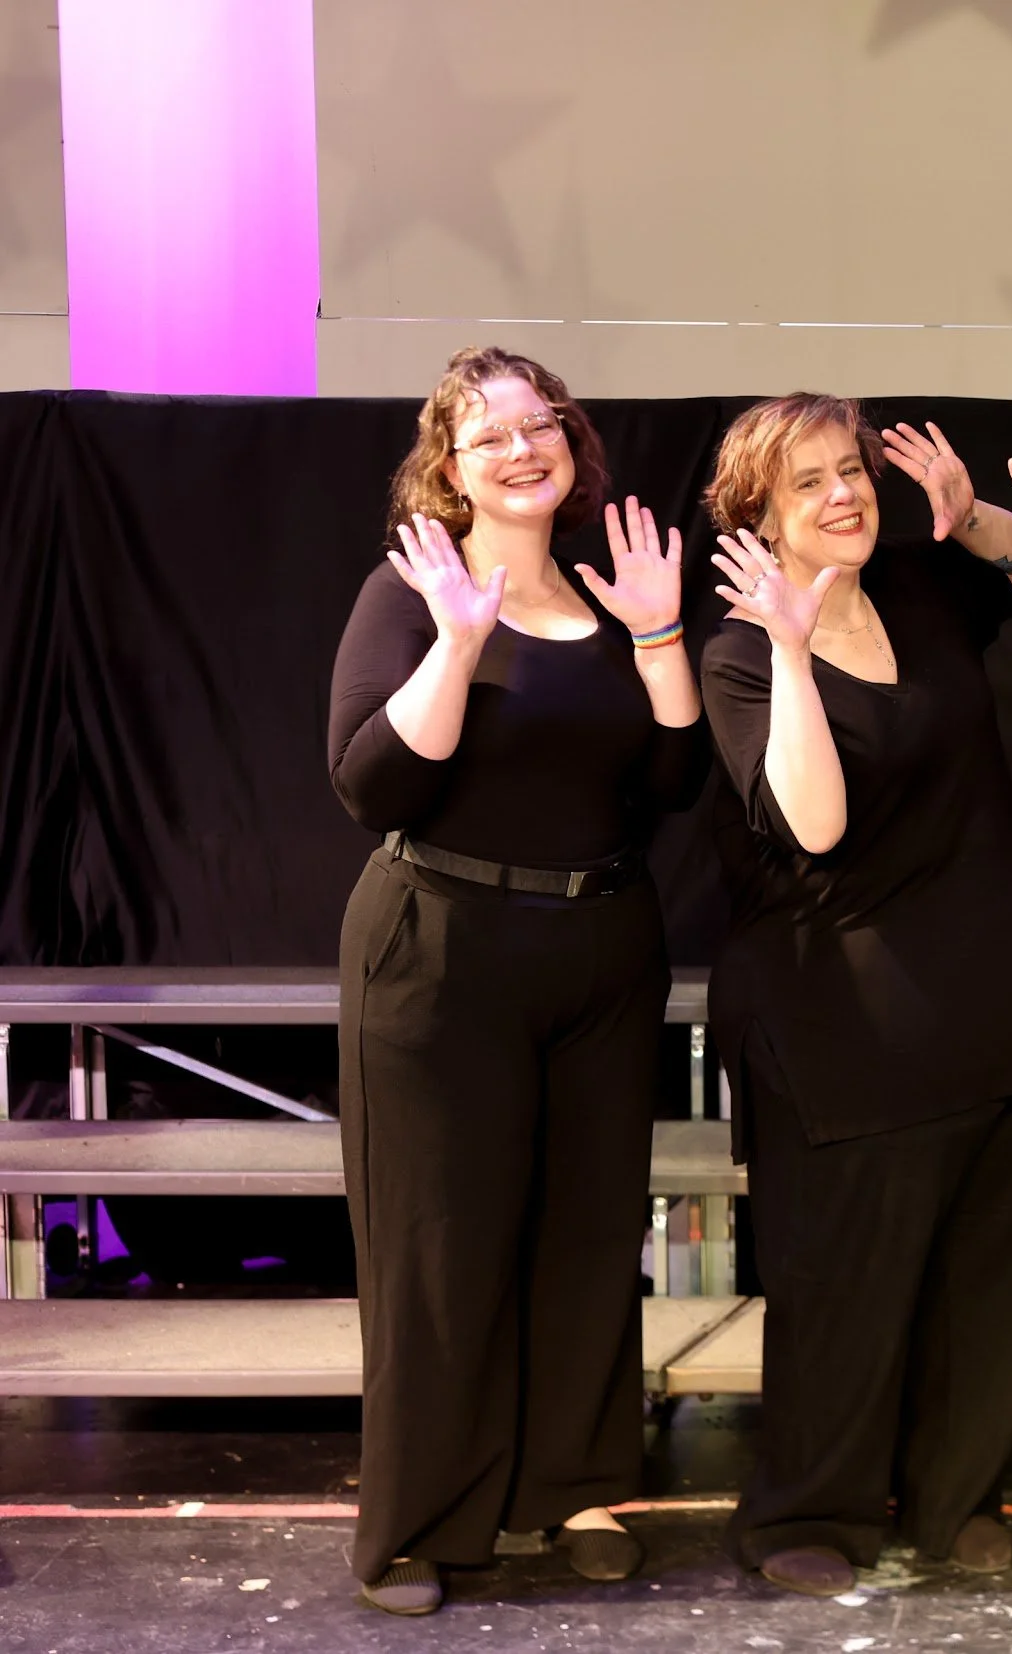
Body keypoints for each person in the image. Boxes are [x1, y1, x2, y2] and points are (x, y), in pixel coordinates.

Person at [328, 346, 707, 1615]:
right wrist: (457, 640)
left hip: (601, 947)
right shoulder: (409, 591)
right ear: (449, 466)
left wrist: (659, 634)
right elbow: (372, 783)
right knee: (440, 1246)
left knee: (590, 1231)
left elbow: (673, 784)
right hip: (442, 946)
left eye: (539, 425)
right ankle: (420, 1522)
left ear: (571, 444)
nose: (520, 449)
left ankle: (577, 1487)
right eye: (488, 435)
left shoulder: (612, 592)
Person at [698, 396, 1012, 1596]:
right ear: (759, 517)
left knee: (991, 1280)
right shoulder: (739, 654)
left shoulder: (921, 590)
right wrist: (791, 647)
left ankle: (953, 1493)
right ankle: (810, 1507)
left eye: (853, 470)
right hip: (851, 1026)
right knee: (843, 1286)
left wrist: (969, 518)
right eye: (808, 482)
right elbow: (813, 822)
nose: (843, 494)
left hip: (1005, 1001)